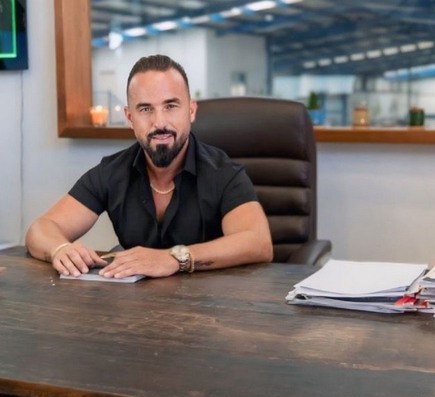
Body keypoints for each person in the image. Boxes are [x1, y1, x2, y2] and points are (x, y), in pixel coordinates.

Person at [26, 54, 273, 278]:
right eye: (145, 109)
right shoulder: (111, 172)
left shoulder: (224, 173)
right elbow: (41, 229)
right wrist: (60, 248)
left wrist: (174, 258)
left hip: (212, 306)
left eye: (171, 106)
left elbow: (258, 243)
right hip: (136, 306)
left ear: (191, 110)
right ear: (130, 118)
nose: (159, 122)